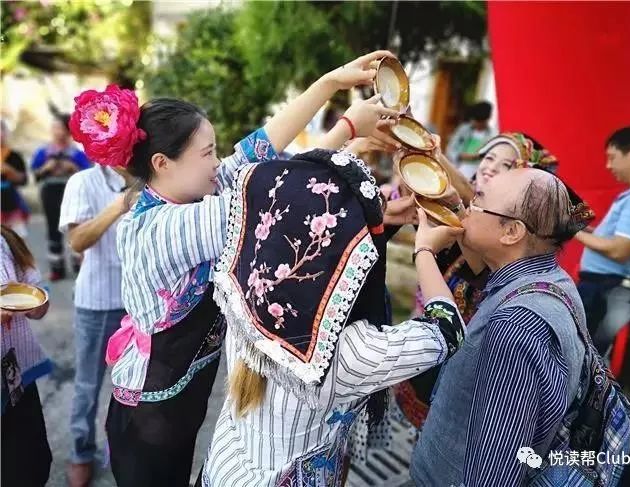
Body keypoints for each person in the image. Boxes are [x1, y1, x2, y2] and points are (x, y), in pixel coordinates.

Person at [68, 51, 399, 486]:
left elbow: (261, 148)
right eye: (207, 153)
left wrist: (330, 82)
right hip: (148, 413)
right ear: (162, 164)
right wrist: (347, 131)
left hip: (183, 395)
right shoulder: (160, 227)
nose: (217, 162)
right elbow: (273, 195)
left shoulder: (190, 192)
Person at [199, 146, 466, 487]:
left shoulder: (246, 293)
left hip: (223, 467)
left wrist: (380, 219)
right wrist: (424, 251)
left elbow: (312, 237)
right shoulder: (350, 353)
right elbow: (448, 329)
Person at [410, 168, 594, 486]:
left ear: (511, 232)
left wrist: (423, 250)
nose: (469, 205)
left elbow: (494, 471)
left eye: (478, 199)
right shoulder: (551, 280)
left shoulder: (516, 326)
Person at [59, 164, 135, 486]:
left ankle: (128, 453)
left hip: (139, 301)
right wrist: (119, 205)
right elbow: (77, 241)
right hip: (97, 303)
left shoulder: (149, 174)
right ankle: (81, 452)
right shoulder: (83, 182)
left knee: (136, 387)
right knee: (88, 387)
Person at [575, 126, 630, 356]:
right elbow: (612, 239)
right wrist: (580, 226)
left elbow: (620, 250)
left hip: (610, 291)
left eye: (612, 157)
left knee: (588, 359)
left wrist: (571, 232)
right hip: (606, 288)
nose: (608, 166)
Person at [1, 224, 53, 486]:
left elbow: (37, 295)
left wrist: (35, 304)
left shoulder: (5, 241)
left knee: (35, 462)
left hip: (16, 376)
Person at [31, 113, 92, 280]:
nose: (57, 131)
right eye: (54, 127)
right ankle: (56, 268)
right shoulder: (43, 152)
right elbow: (35, 175)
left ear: (68, 130)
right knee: (53, 228)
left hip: (72, 192)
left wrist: (73, 167)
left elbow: (89, 174)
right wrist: (46, 168)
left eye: (60, 127)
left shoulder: (77, 153)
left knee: (75, 226)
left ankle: (78, 264)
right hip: (50, 192)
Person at [445, 101, 496, 179]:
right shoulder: (464, 129)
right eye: (475, 120)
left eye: (480, 122)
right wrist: (460, 156)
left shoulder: (492, 135)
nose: (476, 123)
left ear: (487, 119)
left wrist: (480, 154)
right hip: (458, 168)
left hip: (478, 174)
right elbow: (450, 148)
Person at [1, 121, 30, 238]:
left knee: (17, 240)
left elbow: (24, 180)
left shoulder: (14, 156)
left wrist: (10, 171)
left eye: (1, 130)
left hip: (11, 202)